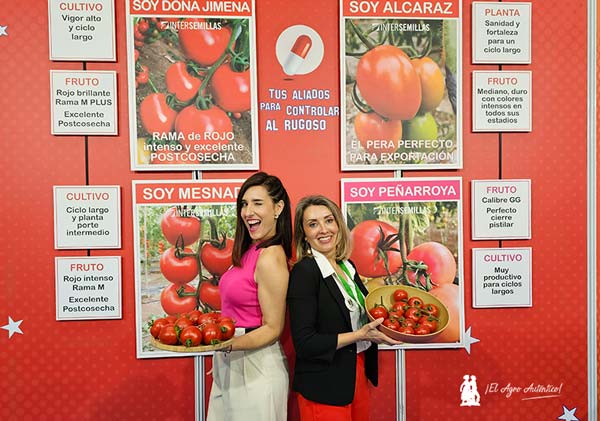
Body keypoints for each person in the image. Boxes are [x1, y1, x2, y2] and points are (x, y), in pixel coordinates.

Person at [287, 195, 400, 420]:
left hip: (356, 372)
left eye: (329, 220)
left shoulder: (347, 266)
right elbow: (305, 343)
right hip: (324, 384)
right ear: (304, 235)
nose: (323, 229)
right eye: (312, 224)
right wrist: (359, 335)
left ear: (338, 224)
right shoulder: (305, 272)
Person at [207, 172, 292, 421]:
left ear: (278, 208)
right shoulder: (249, 251)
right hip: (231, 360)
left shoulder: (270, 256)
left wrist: (222, 344)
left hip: (255, 365)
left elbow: (273, 328)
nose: (247, 212)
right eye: (244, 204)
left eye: (257, 203)